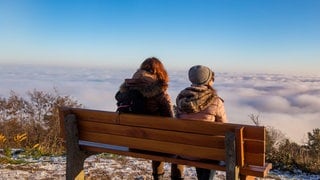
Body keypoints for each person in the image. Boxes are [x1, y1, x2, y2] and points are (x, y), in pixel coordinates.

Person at [115, 57, 184, 180]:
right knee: (179, 144)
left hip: (132, 142)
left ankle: (158, 177)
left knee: (157, 140)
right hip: (153, 144)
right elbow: (169, 121)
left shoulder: (125, 90)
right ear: (159, 72)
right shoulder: (158, 93)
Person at [175, 65, 227, 180]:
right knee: (208, 148)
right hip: (206, 153)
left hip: (183, 150)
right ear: (208, 81)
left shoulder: (181, 98)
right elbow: (224, 128)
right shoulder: (216, 101)